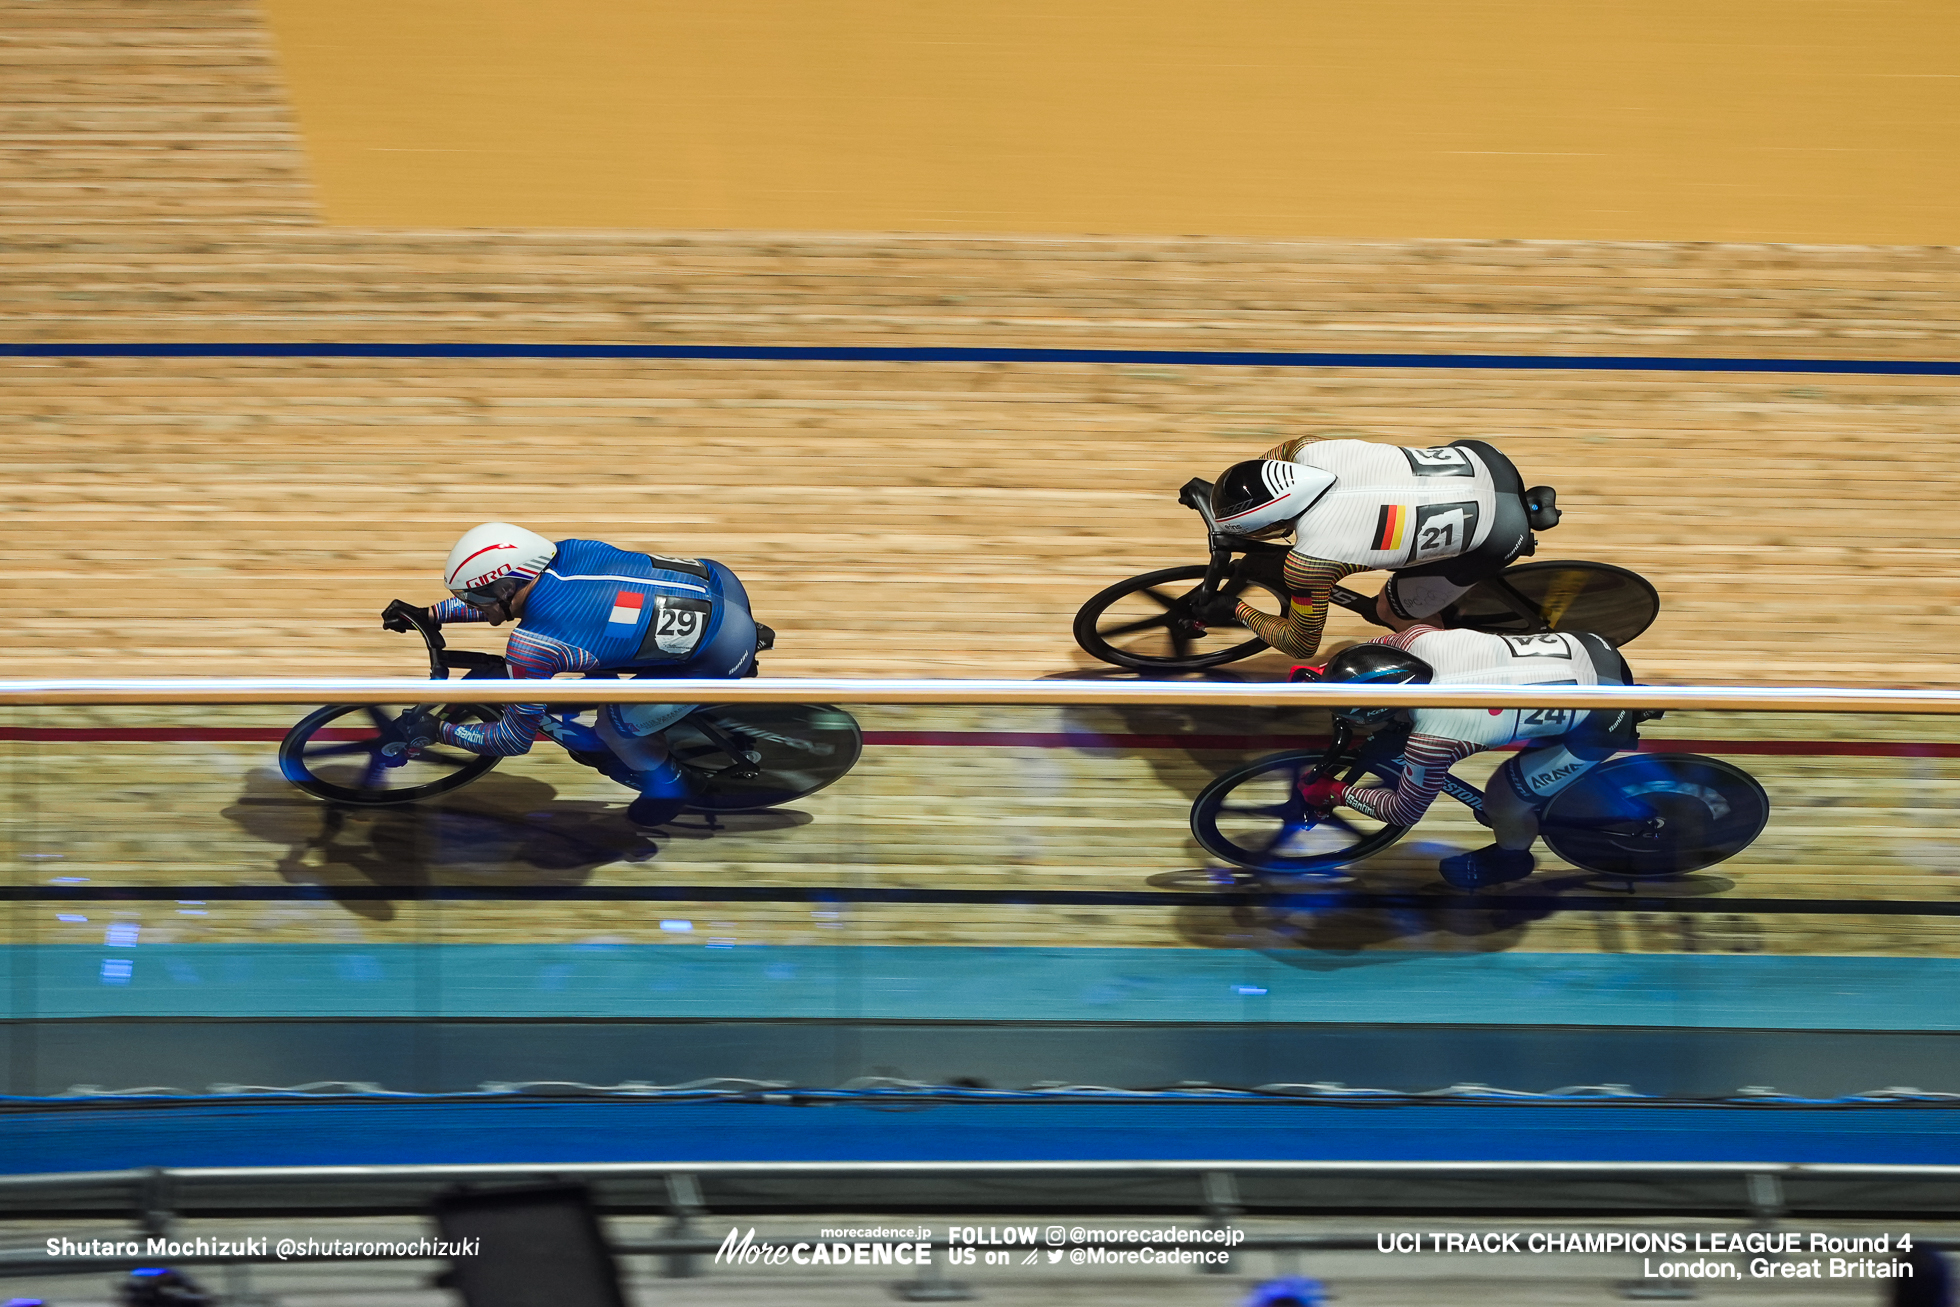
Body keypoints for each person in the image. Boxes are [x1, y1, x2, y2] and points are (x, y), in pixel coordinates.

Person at [395, 522, 762, 827]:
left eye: (472, 597)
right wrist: (431, 614)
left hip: (719, 653)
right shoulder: (566, 551)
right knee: (600, 648)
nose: (469, 604)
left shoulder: (534, 646)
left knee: (612, 726)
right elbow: (507, 606)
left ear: (507, 588)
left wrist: (440, 731)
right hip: (718, 584)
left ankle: (671, 786)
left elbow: (512, 740)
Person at [1296, 617, 1641, 890]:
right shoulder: (1415, 639)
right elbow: (1371, 650)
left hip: (1603, 717)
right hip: (1590, 647)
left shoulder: (1434, 738)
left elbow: (1404, 810)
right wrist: (1329, 672)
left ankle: (1512, 857)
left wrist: (1335, 791)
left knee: (1502, 800)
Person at [1195, 436, 1557, 659]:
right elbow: (1267, 464)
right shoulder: (1304, 449)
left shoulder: (1311, 562)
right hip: (1484, 459)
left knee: (1391, 611)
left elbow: (1301, 644)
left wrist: (1236, 608)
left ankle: (1447, 665)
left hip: (1498, 535)